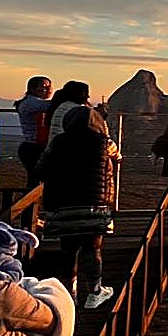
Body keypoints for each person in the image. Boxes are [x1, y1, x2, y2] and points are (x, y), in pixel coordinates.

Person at [37, 103, 119, 309]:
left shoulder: (58, 142)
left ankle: (69, 294)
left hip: (63, 205)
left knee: (68, 250)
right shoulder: (105, 143)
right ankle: (95, 292)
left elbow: (40, 169)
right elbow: (118, 158)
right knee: (93, 248)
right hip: (95, 204)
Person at [12, 76, 53, 187]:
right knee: (36, 181)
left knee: (35, 181)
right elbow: (50, 106)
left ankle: (30, 203)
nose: (49, 89)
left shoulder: (32, 102)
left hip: (36, 147)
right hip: (34, 148)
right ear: (33, 89)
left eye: (50, 86)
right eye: (44, 87)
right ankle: (28, 203)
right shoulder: (30, 103)